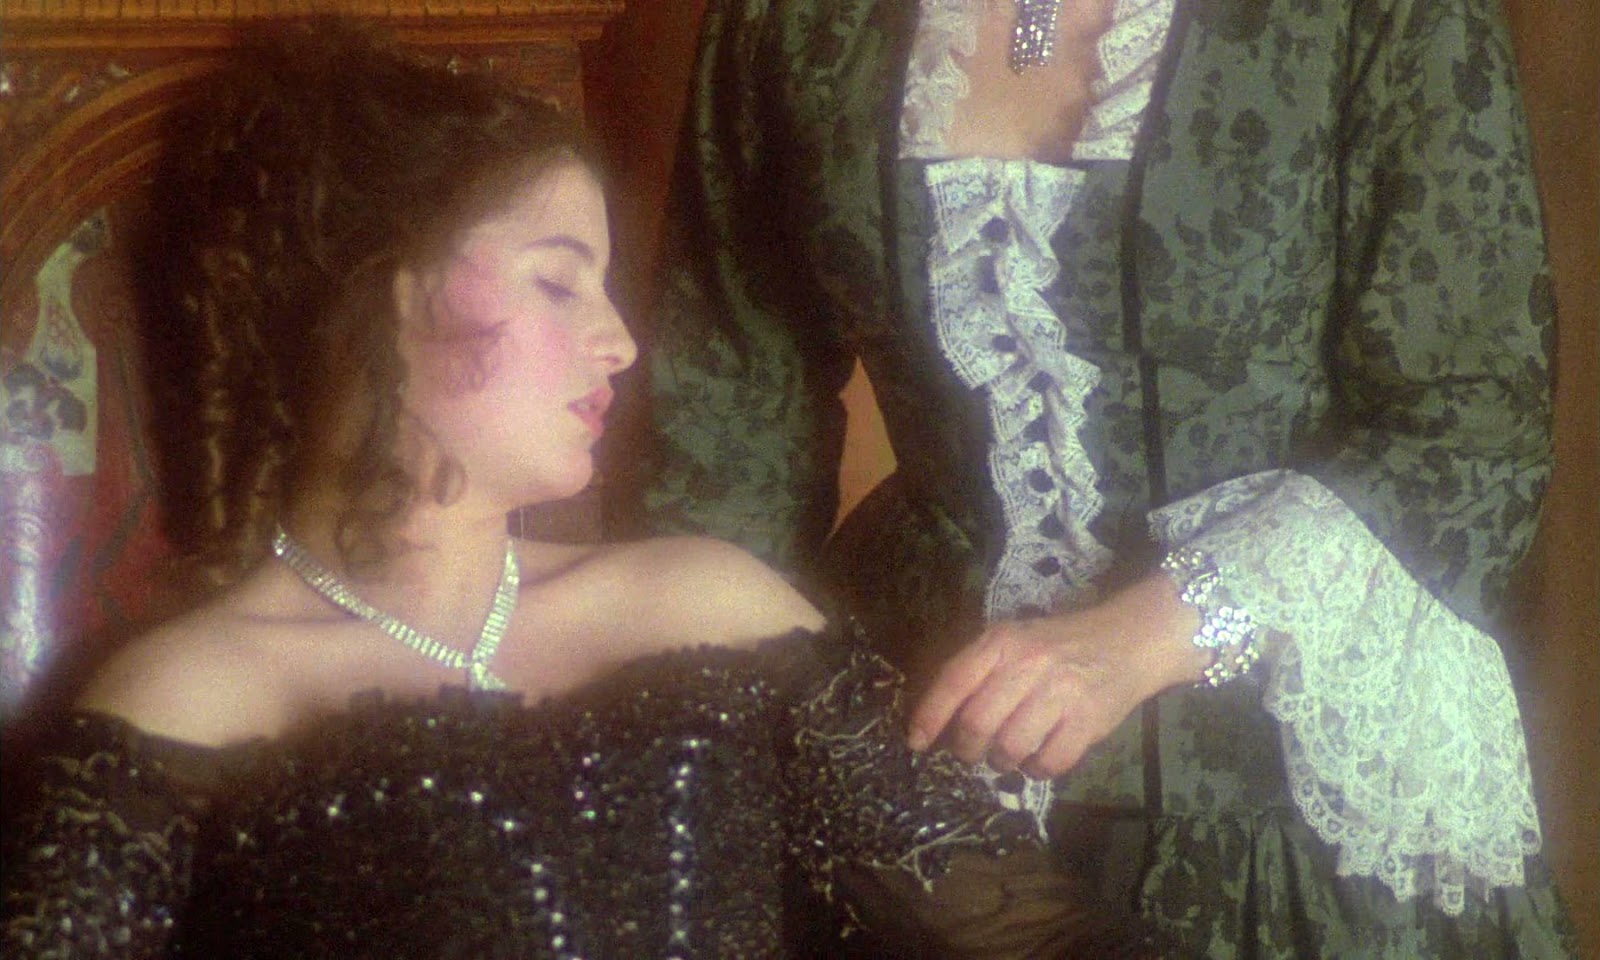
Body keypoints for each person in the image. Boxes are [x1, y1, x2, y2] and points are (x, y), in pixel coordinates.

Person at [0, 22, 1169, 959]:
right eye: (559, 284)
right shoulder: (191, 697)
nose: (619, 342)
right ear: (380, 293)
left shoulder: (711, 607)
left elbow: (1028, 935)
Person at [623, 0, 1579, 954]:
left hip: (1280, 784)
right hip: (913, 771)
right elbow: (722, 423)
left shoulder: (1380, 17)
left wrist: (1144, 636)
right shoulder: (788, 22)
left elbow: (1470, 421)